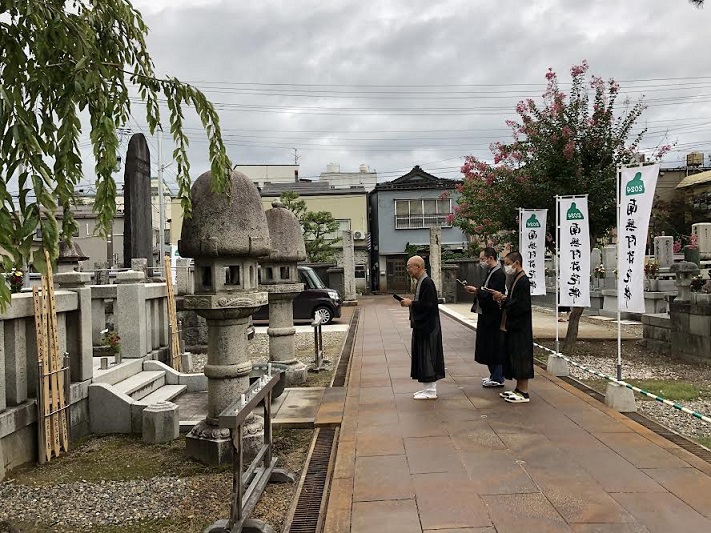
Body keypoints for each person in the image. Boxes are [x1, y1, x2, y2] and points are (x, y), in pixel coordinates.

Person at [490, 251, 534, 404]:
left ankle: (524, 391)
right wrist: (503, 298)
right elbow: (513, 300)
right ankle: (518, 388)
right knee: (514, 357)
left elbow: (521, 305)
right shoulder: (516, 278)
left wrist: (504, 300)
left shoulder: (523, 281)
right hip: (513, 325)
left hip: (520, 326)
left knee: (522, 358)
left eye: (508, 263)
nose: (506, 266)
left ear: (517, 262)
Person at [399, 255, 445, 400]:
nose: (408, 270)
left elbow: (429, 306)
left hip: (429, 326)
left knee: (428, 355)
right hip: (423, 325)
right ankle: (426, 388)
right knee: (422, 355)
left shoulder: (427, 283)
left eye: (409, 267)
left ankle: (431, 390)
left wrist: (411, 303)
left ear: (418, 267)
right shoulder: (421, 281)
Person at [465, 247, 506, 387]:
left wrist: (477, 291)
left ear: (490, 258)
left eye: (482, 259)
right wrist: (477, 291)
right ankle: (493, 375)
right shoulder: (490, 272)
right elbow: (485, 291)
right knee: (488, 345)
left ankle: (498, 377)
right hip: (486, 314)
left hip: (493, 316)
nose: (481, 262)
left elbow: (491, 294)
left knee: (494, 345)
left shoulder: (499, 274)